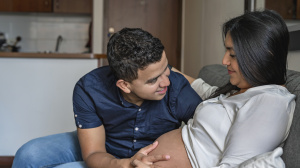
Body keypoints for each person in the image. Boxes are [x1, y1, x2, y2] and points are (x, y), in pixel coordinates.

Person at [12, 28, 202, 167]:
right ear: (124, 85)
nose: (166, 83)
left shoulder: (178, 89)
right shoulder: (89, 88)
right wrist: (122, 164)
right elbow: (94, 152)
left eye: (166, 69)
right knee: (28, 154)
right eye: (153, 80)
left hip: (149, 156)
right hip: (102, 144)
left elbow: (210, 134)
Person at [131, 10, 296, 168]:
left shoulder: (270, 103)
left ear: (264, 55)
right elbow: (205, 91)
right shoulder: (244, 89)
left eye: (232, 54)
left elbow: (233, 166)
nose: (224, 61)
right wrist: (160, 67)